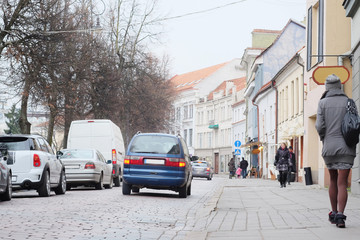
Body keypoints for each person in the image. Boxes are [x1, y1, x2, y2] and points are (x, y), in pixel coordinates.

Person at [315, 74, 356, 228]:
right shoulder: (349, 102)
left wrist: (324, 137)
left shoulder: (322, 103)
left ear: (327, 87)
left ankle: (333, 213)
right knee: (342, 183)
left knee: (332, 179)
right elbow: (355, 122)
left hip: (329, 146)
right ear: (339, 86)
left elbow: (319, 126)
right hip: (347, 145)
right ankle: (340, 216)